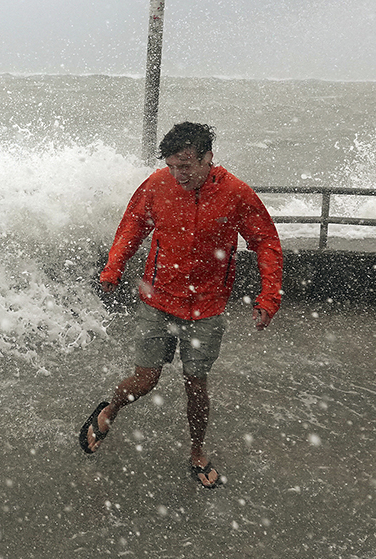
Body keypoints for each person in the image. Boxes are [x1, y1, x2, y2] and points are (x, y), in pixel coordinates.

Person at [79, 122, 283, 489]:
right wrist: (112, 269)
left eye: (186, 166)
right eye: (173, 166)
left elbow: (266, 241)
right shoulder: (158, 185)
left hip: (207, 308)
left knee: (196, 386)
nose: (178, 174)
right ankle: (110, 409)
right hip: (158, 300)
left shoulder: (235, 193)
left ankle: (197, 452)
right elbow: (132, 227)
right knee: (144, 381)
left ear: (209, 158)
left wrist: (269, 296)